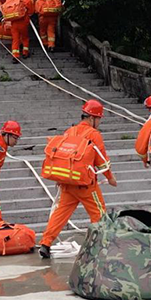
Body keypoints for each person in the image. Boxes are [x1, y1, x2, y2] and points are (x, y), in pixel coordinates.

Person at [39, 100, 116, 259]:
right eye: (99, 119)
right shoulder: (94, 134)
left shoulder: (70, 131)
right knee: (99, 214)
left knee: (60, 215)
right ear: (93, 118)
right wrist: (110, 178)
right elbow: (102, 161)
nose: (99, 122)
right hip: (85, 185)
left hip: (67, 182)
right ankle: (103, 244)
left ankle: (45, 244)